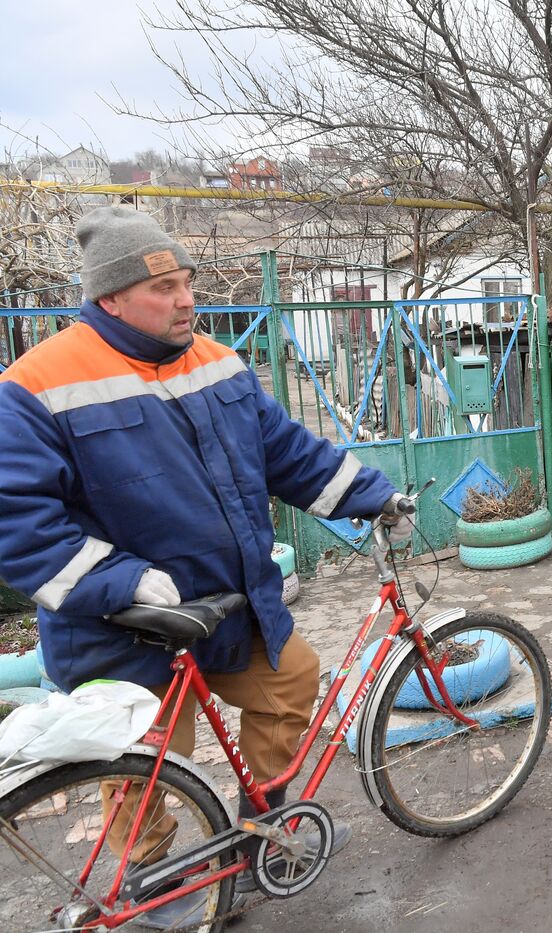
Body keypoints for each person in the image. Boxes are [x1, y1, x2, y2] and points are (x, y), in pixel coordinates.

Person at [0, 206, 406, 920]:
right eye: (163, 287)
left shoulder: (217, 362)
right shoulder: (37, 383)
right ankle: (150, 889)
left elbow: (287, 453)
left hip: (228, 604)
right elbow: (18, 523)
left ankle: (263, 833)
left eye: (187, 281)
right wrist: (121, 582)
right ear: (110, 297)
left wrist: (371, 495)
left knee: (292, 681)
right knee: (144, 765)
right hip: (124, 627)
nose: (186, 298)